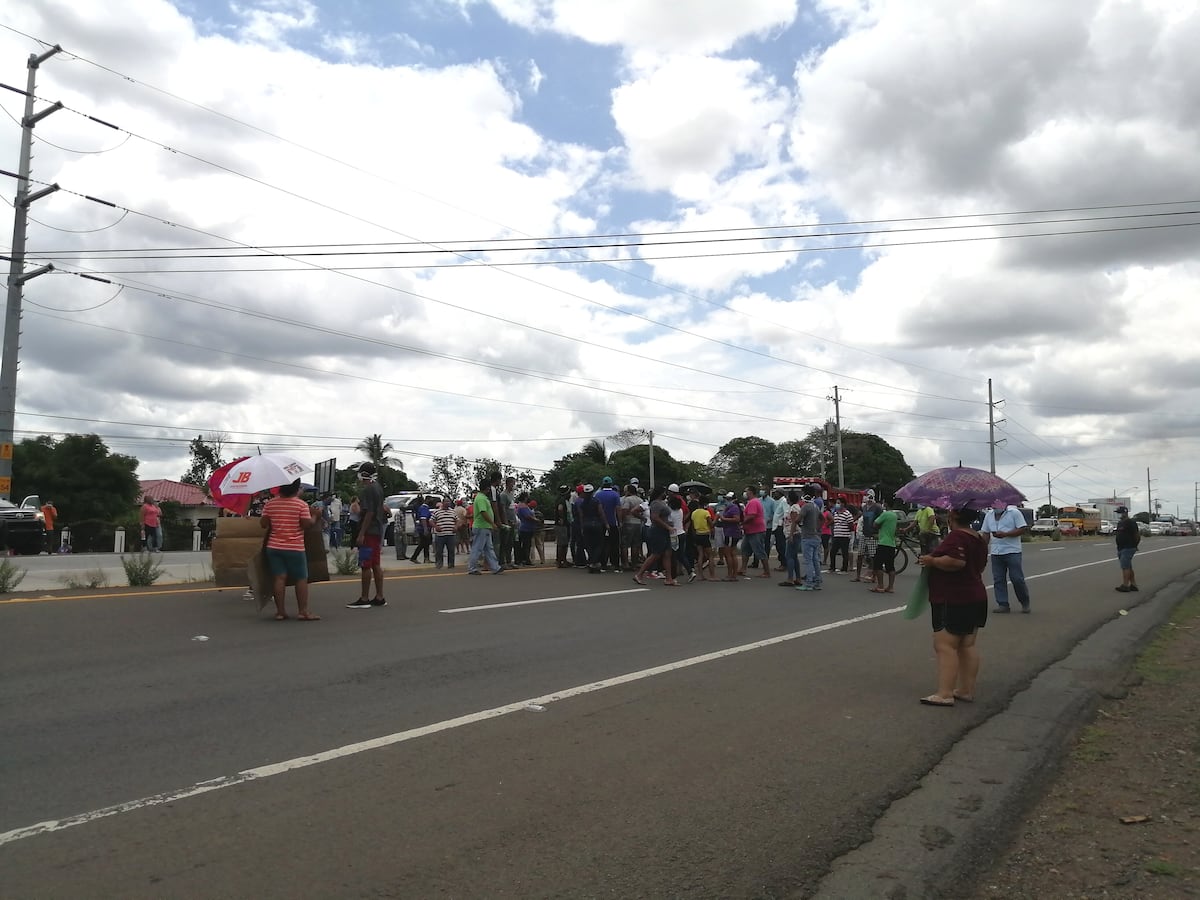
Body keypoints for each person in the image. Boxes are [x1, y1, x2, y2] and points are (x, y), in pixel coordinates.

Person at [917, 507, 989, 705]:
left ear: (954, 516)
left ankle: (945, 693)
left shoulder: (956, 537)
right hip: (976, 595)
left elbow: (956, 562)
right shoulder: (979, 538)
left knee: (945, 645)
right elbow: (980, 565)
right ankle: (965, 689)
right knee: (967, 645)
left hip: (953, 597)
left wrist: (931, 560)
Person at [261, 479, 322, 621]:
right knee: (301, 578)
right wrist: (315, 516)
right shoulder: (301, 505)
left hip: (274, 547)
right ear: (296, 488)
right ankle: (303, 611)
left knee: (279, 578)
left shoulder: (270, 504)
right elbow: (307, 524)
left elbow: (263, 524)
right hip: (295, 547)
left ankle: (280, 612)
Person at [347, 463, 388, 608]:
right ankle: (379, 596)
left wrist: (361, 533)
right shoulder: (378, 488)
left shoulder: (368, 490)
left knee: (366, 564)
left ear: (363, 474)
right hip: (377, 530)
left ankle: (364, 598)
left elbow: (369, 512)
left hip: (369, 531)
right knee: (376, 564)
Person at [980, 501, 1031, 613]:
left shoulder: (1014, 513)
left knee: (1017, 578)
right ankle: (1003, 604)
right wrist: (982, 550)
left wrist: (1006, 534)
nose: (995, 506)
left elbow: (1022, 529)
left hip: (1012, 551)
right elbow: (986, 533)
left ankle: (1025, 602)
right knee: (998, 579)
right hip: (996, 552)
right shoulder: (989, 515)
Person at [633, 486, 676, 586]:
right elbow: (654, 517)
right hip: (658, 531)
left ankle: (669, 578)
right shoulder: (656, 503)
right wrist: (667, 526)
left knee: (667, 554)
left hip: (664, 531)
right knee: (656, 554)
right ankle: (639, 575)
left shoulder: (662, 503)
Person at [467, 478, 504, 575]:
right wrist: (492, 523)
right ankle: (472, 568)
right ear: (487, 488)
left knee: (489, 548)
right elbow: (483, 512)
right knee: (478, 548)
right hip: (481, 527)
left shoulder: (482, 498)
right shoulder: (481, 499)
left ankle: (495, 567)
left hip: (485, 527)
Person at [868, 498, 899, 594]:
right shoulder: (895, 515)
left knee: (878, 565)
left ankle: (880, 586)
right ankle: (890, 587)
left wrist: (879, 528)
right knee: (890, 566)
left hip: (883, 542)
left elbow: (875, 524)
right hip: (892, 543)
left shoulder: (885, 514)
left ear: (885, 504)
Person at [742, 484, 771, 578]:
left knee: (759, 551)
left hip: (756, 531)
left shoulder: (753, 502)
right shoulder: (751, 502)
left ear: (750, 492)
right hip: (750, 530)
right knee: (745, 549)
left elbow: (752, 515)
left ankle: (766, 571)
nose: (745, 493)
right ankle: (743, 569)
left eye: (746, 491)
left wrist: (742, 522)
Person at [796, 493, 823, 591]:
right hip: (816, 536)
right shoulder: (816, 506)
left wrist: (799, 523)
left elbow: (798, 519)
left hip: (807, 536)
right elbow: (822, 518)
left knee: (808, 561)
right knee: (815, 560)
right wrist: (818, 528)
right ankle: (817, 581)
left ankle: (809, 583)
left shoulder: (805, 507)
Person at [689, 498, 718, 581]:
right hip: (705, 535)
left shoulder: (694, 513)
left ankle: (700, 575)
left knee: (700, 555)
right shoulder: (706, 513)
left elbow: (692, 527)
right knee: (710, 556)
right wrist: (716, 518)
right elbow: (711, 524)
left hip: (697, 535)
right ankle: (712, 576)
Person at [1113, 506, 1140, 592]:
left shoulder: (1130, 522)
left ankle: (1125, 585)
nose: (1119, 515)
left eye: (1120, 513)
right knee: (1128, 566)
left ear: (1125, 513)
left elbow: (1136, 535)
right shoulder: (1120, 523)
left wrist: (1135, 545)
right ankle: (1133, 584)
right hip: (1121, 548)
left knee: (1125, 567)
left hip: (1128, 547)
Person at [718, 491, 744, 581]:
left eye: (728, 499)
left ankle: (731, 575)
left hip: (731, 533)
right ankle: (733, 575)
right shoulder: (730, 507)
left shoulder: (733, 508)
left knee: (729, 554)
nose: (726, 501)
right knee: (732, 553)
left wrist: (724, 519)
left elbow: (737, 519)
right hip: (730, 532)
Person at [780, 490, 804, 587]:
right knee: (793, 557)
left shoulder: (794, 508)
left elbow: (794, 522)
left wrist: (791, 535)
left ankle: (790, 578)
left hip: (793, 534)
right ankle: (798, 578)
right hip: (792, 533)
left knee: (789, 556)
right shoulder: (792, 507)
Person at [431, 498, 458, 569]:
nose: (447, 503)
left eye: (449, 501)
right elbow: (431, 521)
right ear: (442, 503)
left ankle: (451, 564)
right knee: (439, 551)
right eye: (446, 502)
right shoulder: (436, 512)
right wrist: (436, 527)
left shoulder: (453, 511)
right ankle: (439, 564)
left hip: (451, 534)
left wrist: (456, 526)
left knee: (451, 550)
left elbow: (457, 520)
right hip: (440, 535)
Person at [828, 499, 854, 573]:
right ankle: (832, 567)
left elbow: (851, 525)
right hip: (836, 535)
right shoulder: (836, 513)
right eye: (837, 503)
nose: (837, 504)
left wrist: (846, 531)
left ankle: (844, 568)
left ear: (843, 504)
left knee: (844, 552)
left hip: (844, 536)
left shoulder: (847, 514)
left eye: (838, 503)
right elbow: (834, 522)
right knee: (833, 552)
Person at [515, 494, 538, 566]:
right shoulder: (522, 506)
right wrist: (536, 519)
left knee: (527, 544)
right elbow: (527, 516)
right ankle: (525, 559)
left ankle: (524, 559)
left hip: (528, 527)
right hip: (525, 528)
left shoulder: (523, 505)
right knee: (526, 545)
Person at [409, 495, 432, 563]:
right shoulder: (424, 508)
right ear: (427, 500)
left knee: (425, 544)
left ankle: (426, 558)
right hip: (423, 529)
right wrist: (425, 529)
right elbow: (423, 518)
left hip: (423, 528)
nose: (432, 502)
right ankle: (415, 557)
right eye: (431, 500)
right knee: (423, 544)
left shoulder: (424, 507)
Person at [554, 485, 573, 568]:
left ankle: (563, 560)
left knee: (564, 543)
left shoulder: (562, 499)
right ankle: (560, 561)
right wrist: (561, 518)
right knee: (562, 543)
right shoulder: (561, 500)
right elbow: (560, 509)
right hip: (561, 524)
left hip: (564, 524)